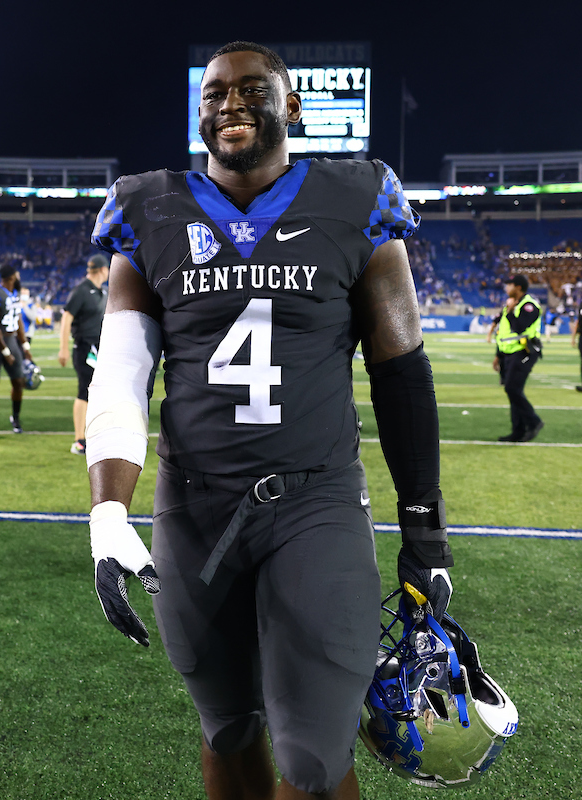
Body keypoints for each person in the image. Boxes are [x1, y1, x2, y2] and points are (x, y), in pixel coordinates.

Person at [85, 42, 453, 800]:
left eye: (253, 90)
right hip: (194, 504)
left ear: (293, 108)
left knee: (314, 757)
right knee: (225, 725)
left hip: (313, 502)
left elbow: (402, 374)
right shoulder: (146, 207)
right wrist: (106, 510)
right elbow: (122, 368)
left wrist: (424, 529)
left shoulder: (357, 196)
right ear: (199, 111)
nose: (230, 104)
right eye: (215, 92)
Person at [58, 253, 109, 455]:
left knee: (99, 392)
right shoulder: (81, 291)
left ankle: (92, 434)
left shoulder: (103, 293)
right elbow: (66, 319)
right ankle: (79, 440)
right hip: (84, 348)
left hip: (100, 348)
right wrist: (63, 348)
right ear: (103, 270)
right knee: (84, 391)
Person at [0, 265, 33, 438]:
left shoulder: (14, 295)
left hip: (12, 341)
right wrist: (5, 350)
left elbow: (18, 321)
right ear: (12, 276)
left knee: (19, 383)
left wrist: (25, 346)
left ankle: (16, 419)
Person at [492, 275, 543, 442]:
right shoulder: (510, 304)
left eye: (510, 284)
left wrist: (511, 311)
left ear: (519, 287)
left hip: (524, 351)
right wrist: (498, 355)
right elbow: (503, 333)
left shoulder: (529, 306)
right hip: (509, 353)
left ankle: (534, 422)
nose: (506, 288)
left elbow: (519, 328)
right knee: (513, 391)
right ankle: (518, 431)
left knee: (512, 389)